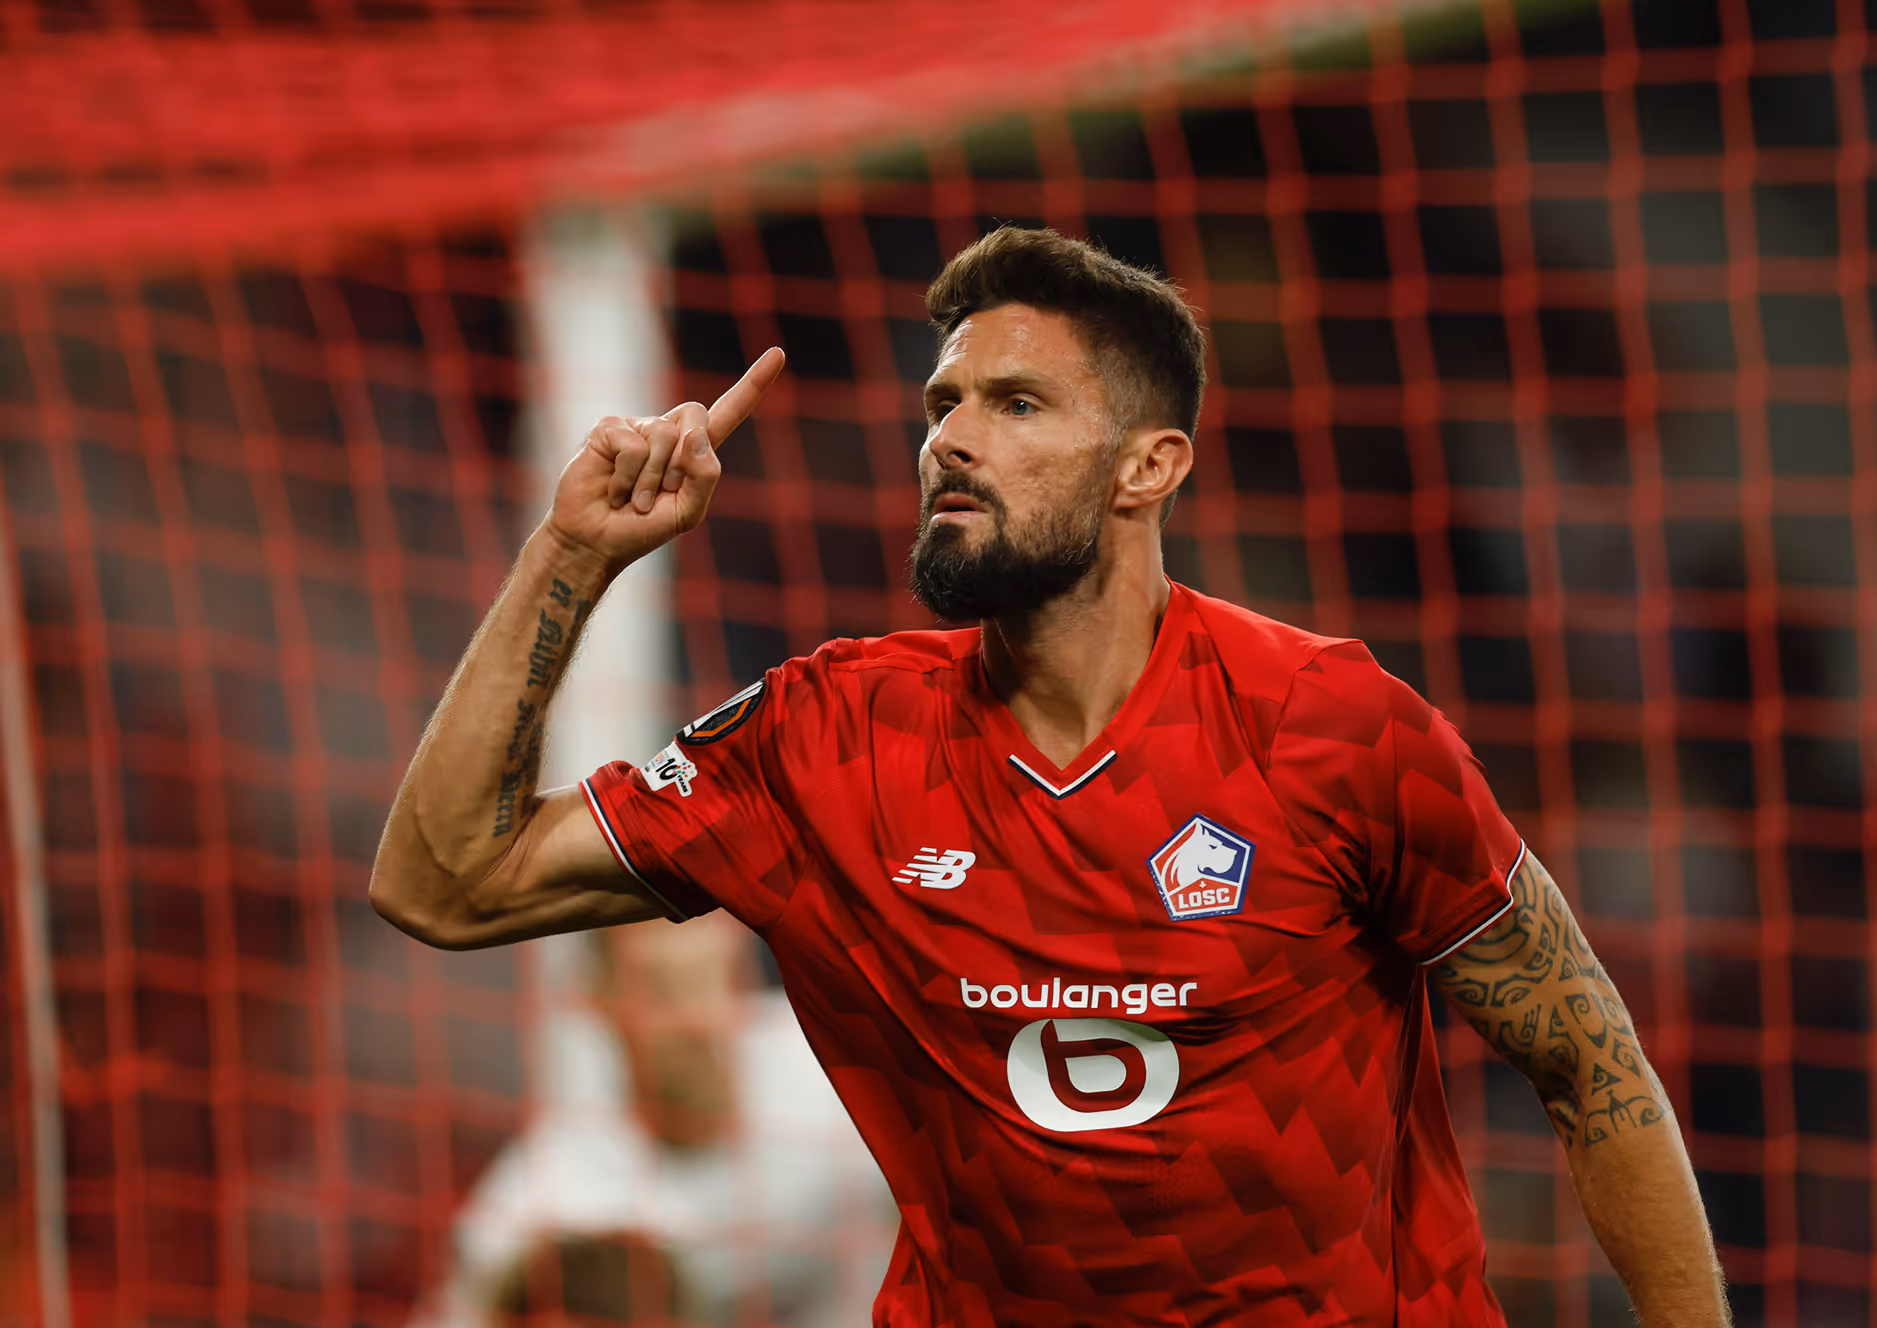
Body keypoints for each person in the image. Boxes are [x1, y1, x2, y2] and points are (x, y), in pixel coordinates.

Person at [372, 227, 1728, 1326]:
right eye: (941, 403)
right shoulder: (825, 736)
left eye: (1014, 403)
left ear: (1150, 467)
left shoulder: (1334, 726)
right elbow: (446, 883)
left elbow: (1588, 1065)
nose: (949, 439)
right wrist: (574, 555)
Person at [412, 916, 895, 1328]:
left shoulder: (851, 1081)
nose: (692, 1020)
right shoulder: (538, 1214)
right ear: (597, 1000)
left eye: (705, 979)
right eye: (659, 989)